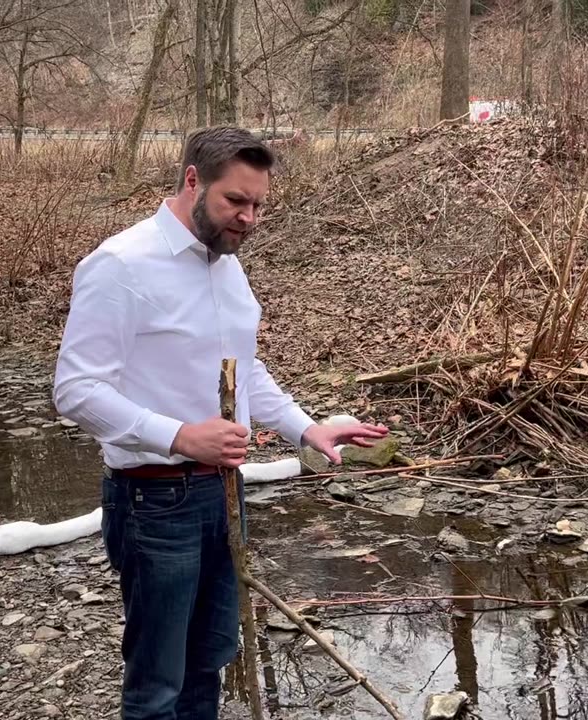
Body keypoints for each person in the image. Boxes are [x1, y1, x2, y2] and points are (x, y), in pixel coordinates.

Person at [52, 126, 388, 720]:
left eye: (258, 204)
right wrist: (179, 435)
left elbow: (244, 371)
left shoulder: (227, 267)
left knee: (208, 662)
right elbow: (76, 391)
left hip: (224, 494)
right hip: (154, 499)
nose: (249, 217)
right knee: (159, 682)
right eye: (236, 200)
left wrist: (305, 428)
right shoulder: (119, 265)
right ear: (191, 181)